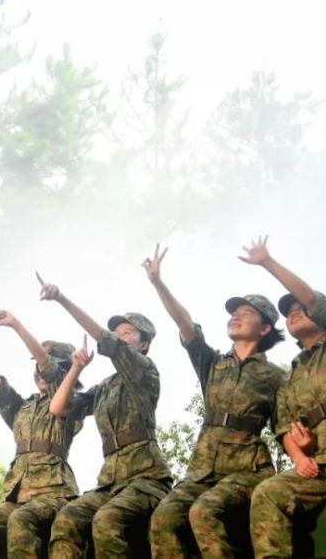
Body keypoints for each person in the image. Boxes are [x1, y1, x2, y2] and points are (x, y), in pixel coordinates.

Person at [143, 244, 285, 558]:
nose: (236, 316)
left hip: (246, 472)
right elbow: (185, 325)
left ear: (264, 328)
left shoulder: (275, 377)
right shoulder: (213, 364)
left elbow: (285, 428)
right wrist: (158, 283)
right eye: (234, 313)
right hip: (202, 470)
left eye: (246, 313)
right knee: (163, 518)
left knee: (203, 512)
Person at [40, 273, 172, 558]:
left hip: (146, 478)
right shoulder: (105, 387)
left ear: (144, 344)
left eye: (127, 333)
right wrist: (75, 368)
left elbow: (104, 338)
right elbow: (59, 408)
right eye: (118, 333)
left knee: (106, 520)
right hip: (110, 481)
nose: (119, 337)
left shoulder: (144, 371)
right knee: (67, 519)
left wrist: (62, 298)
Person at [0, 310, 83, 559]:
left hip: (54, 494)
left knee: (20, 520)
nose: (39, 371)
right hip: (18, 495)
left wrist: (16, 325)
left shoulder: (72, 401)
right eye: (35, 367)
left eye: (44, 366)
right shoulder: (23, 408)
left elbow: (50, 369)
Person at [240, 236, 326, 558]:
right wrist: (300, 456)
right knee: (268, 493)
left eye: (299, 308)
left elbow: (314, 300)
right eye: (287, 312)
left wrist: (267, 263)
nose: (293, 313)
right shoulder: (288, 378)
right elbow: (285, 427)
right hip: (319, 466)